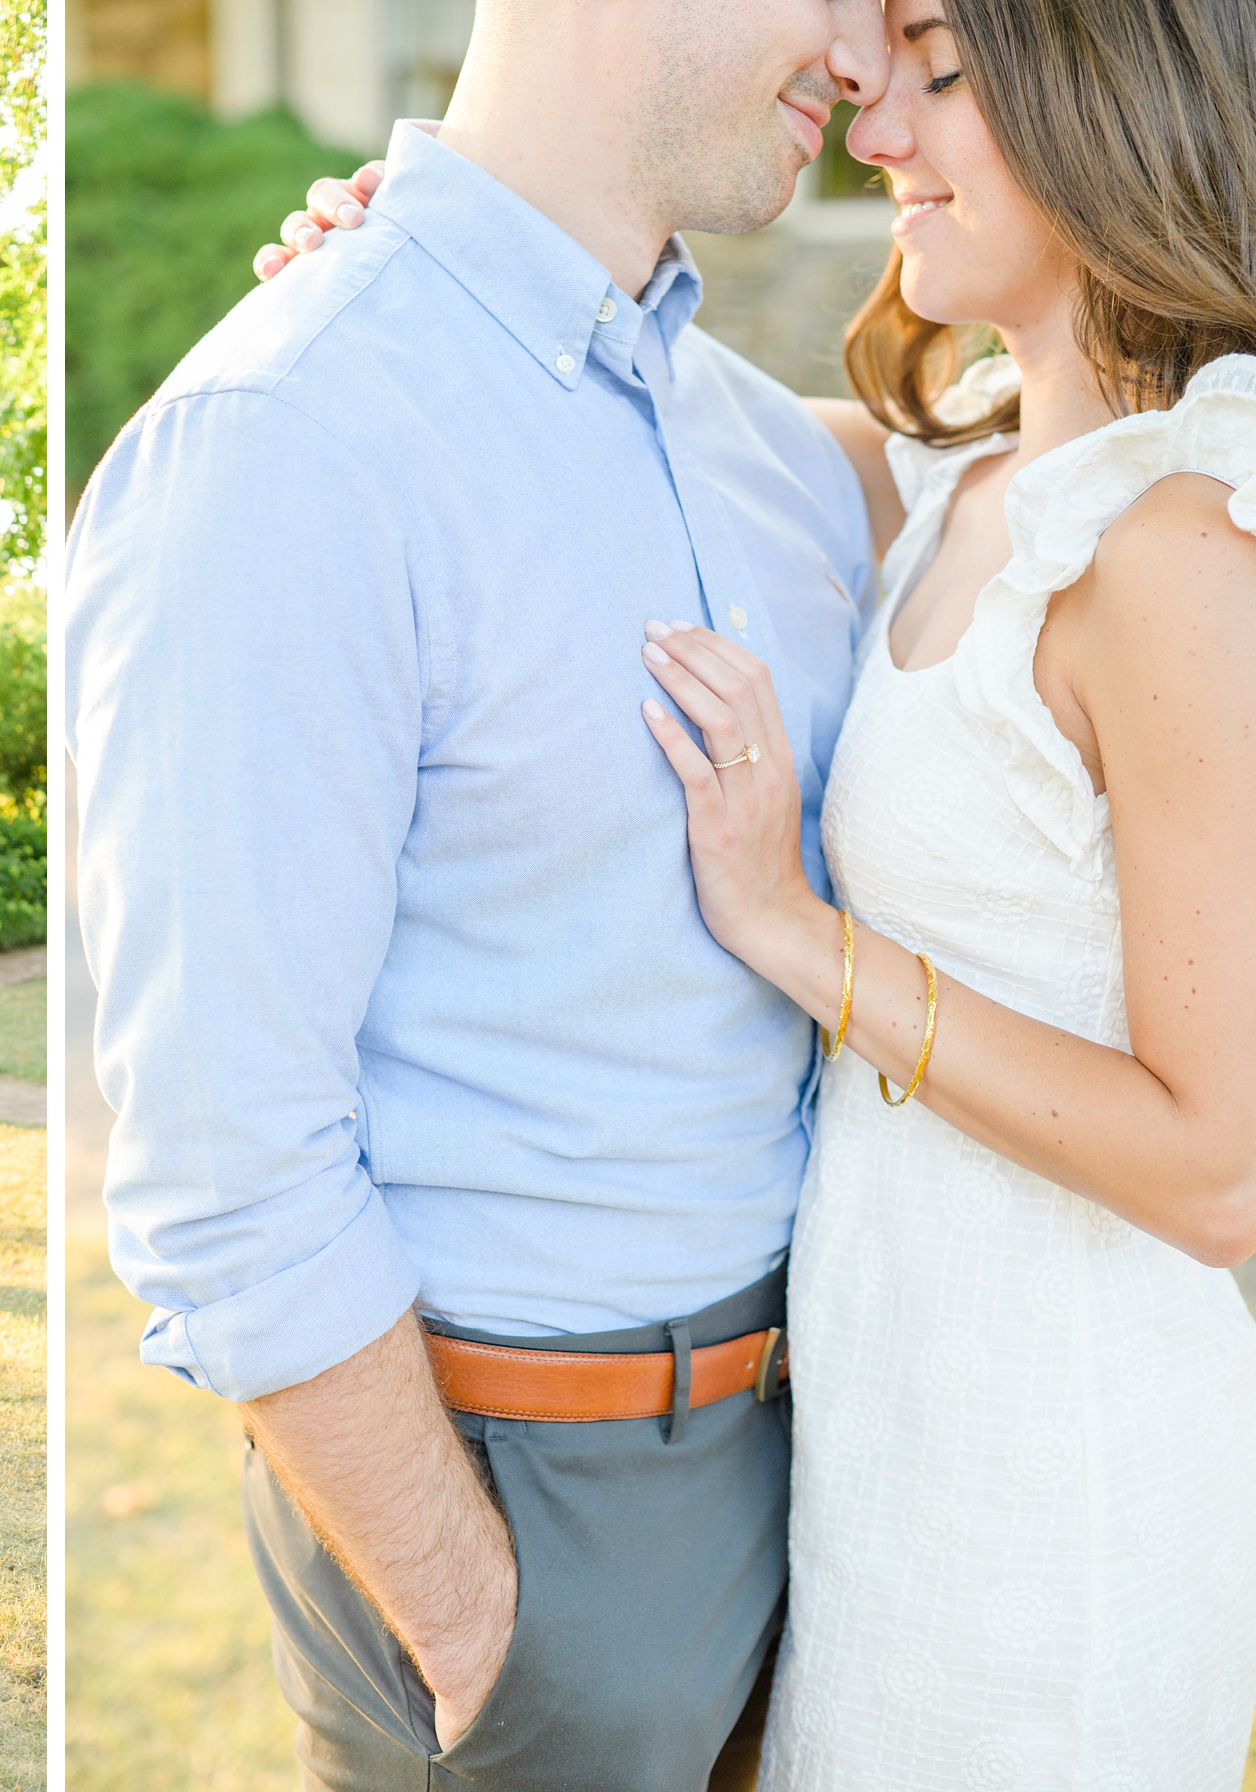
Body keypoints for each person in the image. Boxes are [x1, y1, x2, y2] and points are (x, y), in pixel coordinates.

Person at [257, 0, 1256, 1784]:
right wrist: (421, 266)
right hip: (878, 1434)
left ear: (1114, 104)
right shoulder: (938, 487)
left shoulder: (1181, 551)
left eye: (943, 73)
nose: (880, 128)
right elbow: (615, 405)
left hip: (1057, 1467)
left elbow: (1222, 1166)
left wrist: (799, 937)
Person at [66, 4, 891, 1787]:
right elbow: (224, 1157)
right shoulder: (288, 438)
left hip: (816, 1485)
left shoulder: (774, 458)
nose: (867, 45)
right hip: (519, 1512)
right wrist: (476, 1630)